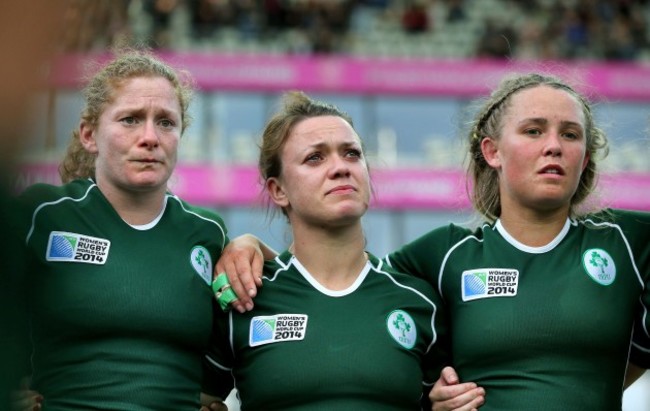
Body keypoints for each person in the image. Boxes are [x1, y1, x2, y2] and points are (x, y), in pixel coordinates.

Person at [215, 72, 650, 410]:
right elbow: (334, 281)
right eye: (534, 130)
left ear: (587, 155)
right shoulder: (441, 258)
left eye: (570, 134)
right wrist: (249, 246)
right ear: (491, 151)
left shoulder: (630, 242)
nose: (553, 146)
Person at [10, 49, 229, 411]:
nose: (150, 137)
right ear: (89, 134)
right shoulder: (42, 214)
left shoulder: (209, 233)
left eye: (166, 122)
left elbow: (224, 366)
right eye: (130, 119)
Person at [201, 91, 448, 410]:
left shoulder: (420, 301)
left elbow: (446, 399)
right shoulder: (245, 296)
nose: (340, 168)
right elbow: (199, 400)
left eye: (352, 154)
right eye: (315, 158)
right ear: (278, 191)